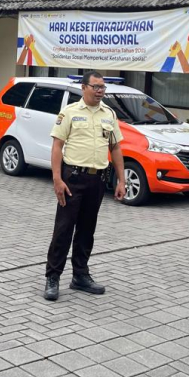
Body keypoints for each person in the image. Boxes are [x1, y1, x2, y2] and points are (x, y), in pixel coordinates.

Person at [44, 71, 127, 301]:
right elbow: (57, 146)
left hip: (97, 180)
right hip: (73, 178)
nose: (100, 91)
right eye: (96, 87)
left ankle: (80, 275)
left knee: (87, 229)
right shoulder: (69, 112)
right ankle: (52, 277)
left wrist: (121, 180)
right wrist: (57, 179)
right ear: (84, 87)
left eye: (103, 87)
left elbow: (115, 148)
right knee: (63, 229)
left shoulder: (109, 114)